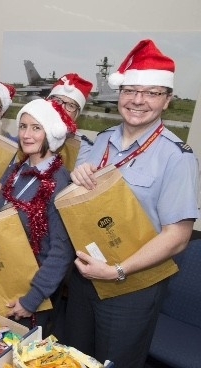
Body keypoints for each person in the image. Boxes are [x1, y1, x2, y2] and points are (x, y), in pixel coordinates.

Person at [66, 39, 199, 367]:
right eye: (130, 91)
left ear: (167, 101)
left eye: (152, 92)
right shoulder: (101, 141)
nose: (138, 101)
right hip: (85, 276)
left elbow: (178, 236)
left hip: (131, 286)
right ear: (119, 95)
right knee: (70, 358)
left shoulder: (176, 157)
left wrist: (117, 271)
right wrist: (77, 177)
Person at [0, 98, 76, 332]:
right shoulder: (17, 169)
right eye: (23, 126)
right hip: (3, 277)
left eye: (36, 127)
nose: (26, 135)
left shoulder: (59, 181)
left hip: (30, 291)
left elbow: (61, 251)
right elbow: (2, 207)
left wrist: (32, 299)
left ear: (50, 134)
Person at [46, 73, 94, 164]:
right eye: (57, 101)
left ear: (76, 115)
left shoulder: (83, 149)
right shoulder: (30, 132)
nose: (62, 108)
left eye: (71, 106)